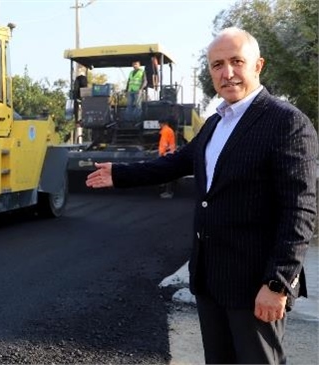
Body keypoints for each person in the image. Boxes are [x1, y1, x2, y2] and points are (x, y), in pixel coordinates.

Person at [86, 27, 317, 364]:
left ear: (258, 65)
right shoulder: (214, 124)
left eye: (237, 61)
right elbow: (176, 163)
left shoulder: (286, 123)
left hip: (255, 284)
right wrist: (120, 173)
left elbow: (300, 210)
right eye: (217, 65)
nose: (227, 73)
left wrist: (278, 282)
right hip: (211, 280)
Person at [158, 119, 176, 199]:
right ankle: (167, 189)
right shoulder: (168, 130)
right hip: (170, 153)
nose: (159, 126)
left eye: (159, 124)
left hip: (166, 154)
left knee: (167, 172)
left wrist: (161, 153)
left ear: (162, 123)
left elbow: (164, 143)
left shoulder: (165, 131)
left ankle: (168, 192)